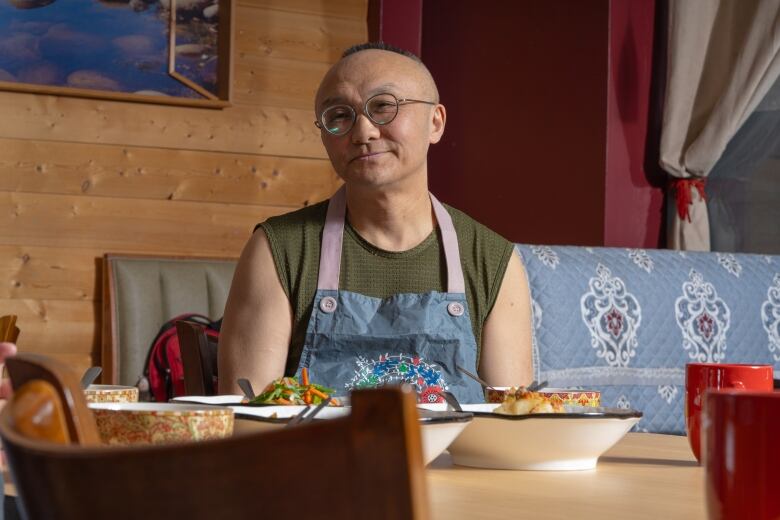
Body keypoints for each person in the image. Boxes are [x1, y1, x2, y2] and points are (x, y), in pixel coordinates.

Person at [219, 42, 532, 403]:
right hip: (315, 458)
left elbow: (512, 420)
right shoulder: (280, 249)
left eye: (383, 106)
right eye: (339, 115)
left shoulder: (492, 260)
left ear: (436, 123)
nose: (363, 131)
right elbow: (248, 417)